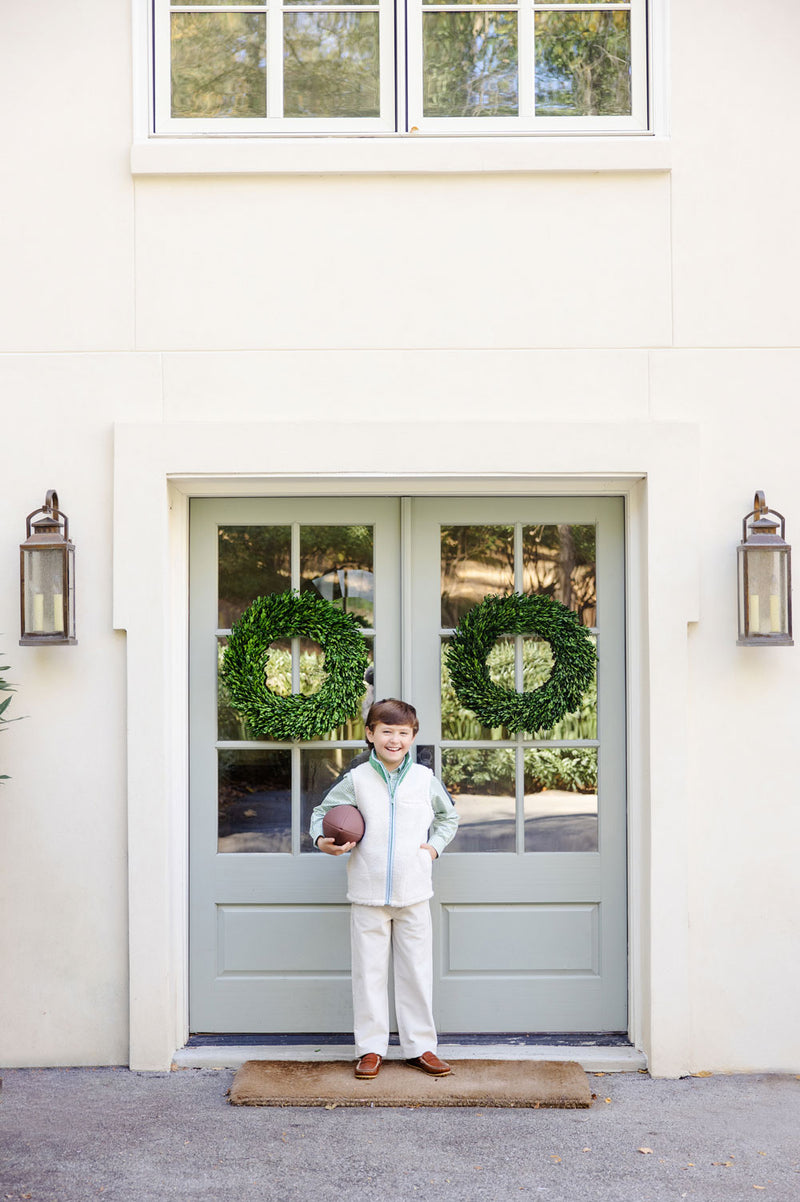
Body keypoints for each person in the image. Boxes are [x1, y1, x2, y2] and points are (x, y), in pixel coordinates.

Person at [310, 698, 459, 1080]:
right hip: (367, 894)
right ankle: (370, 1050)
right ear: (371, 734)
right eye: (387, 731)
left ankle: (420, 1046)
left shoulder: (424, 779)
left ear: (413, 736)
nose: (395, 739)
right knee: (369, 973)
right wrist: (322, 841)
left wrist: (433, 849)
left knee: (416, 971)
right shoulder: (356, 780)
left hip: (414, 893)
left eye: (403, 733)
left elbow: (448, 817)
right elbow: (320, 817)